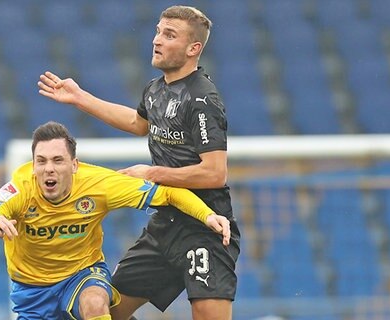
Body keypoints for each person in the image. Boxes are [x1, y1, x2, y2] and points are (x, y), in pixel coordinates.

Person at [37, 5, 240, 320]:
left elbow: (214, 173)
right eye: (158, 31)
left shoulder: (203, 100)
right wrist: (80, 98)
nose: (157, 40)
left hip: (205, 228)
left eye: (169, 35)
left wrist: (152, 174)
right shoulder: (156, 90)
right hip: (164, 226)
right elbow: (137, 122)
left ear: (193, 48)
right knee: (104, 310)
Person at [0, 121, 231, 320]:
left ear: (74, 165)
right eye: (41, 161)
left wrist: (206, 214)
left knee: (96, 303)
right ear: (34, 165)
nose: (49, 168)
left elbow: (168, 193)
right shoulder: (19, 191)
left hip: (82, 275)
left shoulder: (98, 184)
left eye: (58, 160)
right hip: (32, 292)